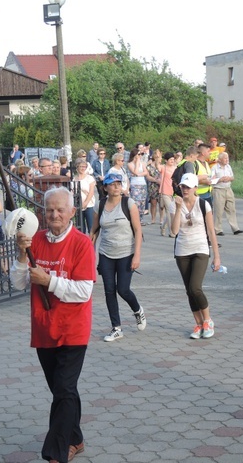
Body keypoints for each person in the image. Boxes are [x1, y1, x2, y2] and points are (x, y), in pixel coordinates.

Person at [9, 187, 95, 463]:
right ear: (42, 213)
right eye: (49, 210)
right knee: (62, 389)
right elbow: (19, 283)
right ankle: (76, 439)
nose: (54, 215)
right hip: (44, 327)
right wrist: (22, 256)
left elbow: (84, 291)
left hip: (73, 329)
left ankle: (55, 451)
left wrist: (50, 282)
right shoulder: (34, 241)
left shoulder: (82, 244)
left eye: (60, 209)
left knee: (64, 389)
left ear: (72, 212)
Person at [90, 173, 146, 342]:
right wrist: (90, 256)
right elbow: (94, 230)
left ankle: (137, 310)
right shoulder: (99, 206)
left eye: (118, 184)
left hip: (126, 253)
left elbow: (138, 231)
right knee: (109, 290)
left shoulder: (128, 204)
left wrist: (137, 255)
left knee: (123, 289)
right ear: (105, 187)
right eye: (112, 184)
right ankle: (116, 328)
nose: (116, 187)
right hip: (106, 253)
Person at [171, 173, 221, 339]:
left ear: (195, 188)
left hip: (200, 248)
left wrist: (217, 256)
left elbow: (211, 231)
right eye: (182, 187)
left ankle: (207, 320)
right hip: (182, 251)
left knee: (195, 287)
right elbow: (174, 231)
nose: (184, 190)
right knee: (189, 291)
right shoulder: (176, 204)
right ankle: (198, 324)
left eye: (188, 187)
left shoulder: (203, 204)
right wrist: (178, 208)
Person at [211, 152, 243, 236]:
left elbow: (232, 177)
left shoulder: (228, 167)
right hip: (218, 190)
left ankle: (235, 228)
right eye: (225, 158)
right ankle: (217, 229)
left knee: (231, 209)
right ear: (220, 159)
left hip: (228, 189)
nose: (227, 159)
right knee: (219, 210)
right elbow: (211, 180)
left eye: (227, 158)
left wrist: (229, 178)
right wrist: (220, 179)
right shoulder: (214, 168)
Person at [73, 158, 96, 233]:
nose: (83, 168)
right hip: (78, 205)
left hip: (88, 205)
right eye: (81, 166)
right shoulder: (74, 179)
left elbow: (91, 192)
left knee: (91, 227)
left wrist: (85, 203)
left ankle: (92, 244)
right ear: (77, 167)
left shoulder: (89, 178)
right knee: (80, 228)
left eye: (84, 166)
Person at [127, 146, 148, 221]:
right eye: (138, 154)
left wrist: (139, 174)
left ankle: (140, 219)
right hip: (135, 184)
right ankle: (135, 218)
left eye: (140, 154)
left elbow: (146, 172)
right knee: (136, 202)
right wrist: (137, 163)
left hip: (142, 184)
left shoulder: (142, 163)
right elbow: (135, 171)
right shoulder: (130, 164)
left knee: (142, 202)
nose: (140, 156)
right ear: (134, 155)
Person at [159, 152, 177, 237]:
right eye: (170, 159)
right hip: (165, 191)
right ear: (166, 160)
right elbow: (157, 166)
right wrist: (157, 158)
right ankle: (172, 232)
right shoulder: (163, 167)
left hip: (174, 192)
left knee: (171, 211)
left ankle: (163, 226)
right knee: (170, 211)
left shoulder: (176, 168)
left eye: (173, 159)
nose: (172, 161)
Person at [145, 149, 162, 225]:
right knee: (153, 203)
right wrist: (155, 180)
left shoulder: (162, 166)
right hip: (153, 186)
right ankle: (153, 219)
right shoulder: (149, 167)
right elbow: (147, 177)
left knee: (162, 204)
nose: (158, 158)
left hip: (161, 186)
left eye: (159, 156)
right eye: (157, 156)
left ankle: (161, 219)